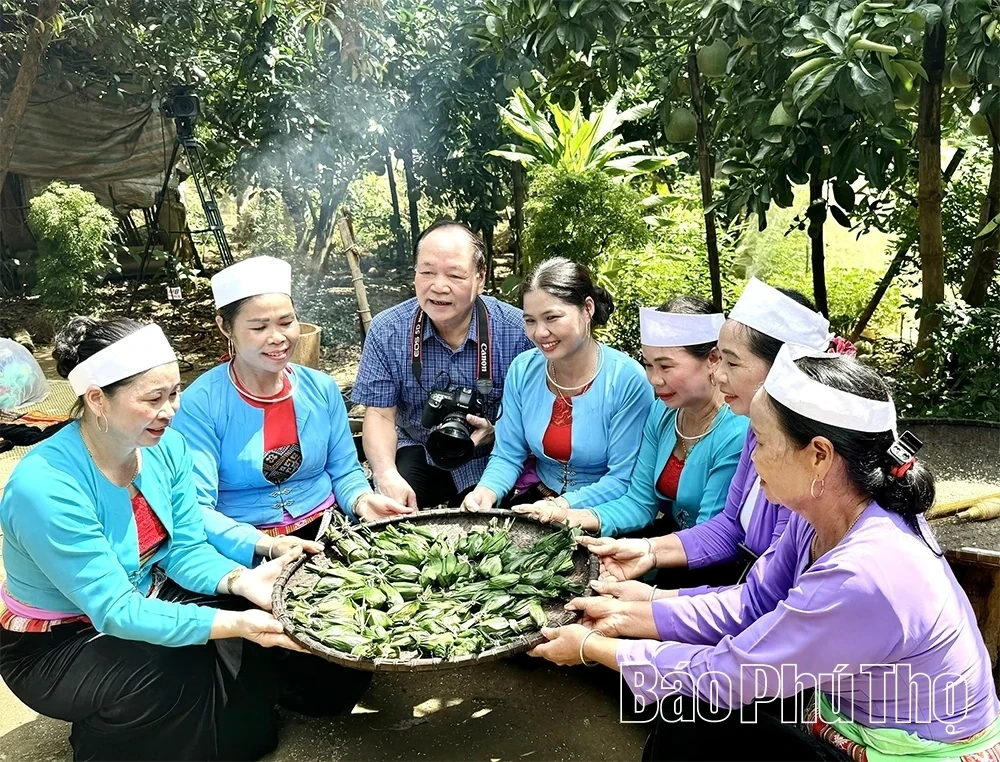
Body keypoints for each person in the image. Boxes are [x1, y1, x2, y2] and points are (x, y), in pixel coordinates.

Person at [530, 345, 1000, 761]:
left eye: (764, 442)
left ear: (818, 455)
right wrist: (628, 614)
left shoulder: (866, 571)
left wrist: (593, 647)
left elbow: (734, 675)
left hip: (907, 750)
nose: (752, 459)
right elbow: (754, 603)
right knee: (689, 719)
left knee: (695, 722)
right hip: (847, 720)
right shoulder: (813, 515)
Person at [0, 317, 302, 761]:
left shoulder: (166, 448)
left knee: (244, 609)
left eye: (175, 392)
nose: (171, 410)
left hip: (147, 593)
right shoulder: (46, 486)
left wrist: (241, 581)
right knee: (167, 659)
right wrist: (230, 625)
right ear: (98, 399)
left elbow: (185, 550)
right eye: (153, 398)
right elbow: (115, 610)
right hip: (57, 642)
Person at [172, 255, 404, 715]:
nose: (277, 338)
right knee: (313, 689)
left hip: (323, 537)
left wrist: (362, 500)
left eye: (286, 321)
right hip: (248, 550)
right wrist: (264, 545)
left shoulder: (320, 389)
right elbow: (194, 509)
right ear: (226, 328)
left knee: (350, 671)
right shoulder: (201, 402)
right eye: (258, 326)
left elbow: (344, 469)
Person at [583, 279, 836, 594]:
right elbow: (730, 527)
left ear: (782, 369)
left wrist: (653, 602)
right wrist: (649, 552)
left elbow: (765, 597)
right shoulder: (757, 432)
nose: (718, 374)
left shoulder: (807, 467)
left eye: (731, 362)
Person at [512, 296, 746, 534]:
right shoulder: (663, 412)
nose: (654, 379)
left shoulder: (736, 431)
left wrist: (647, 553)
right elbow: (639, 503)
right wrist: (565, 515)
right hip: (672, 539)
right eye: (649, 365)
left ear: (713, 359)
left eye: (666, 367)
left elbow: (711, 536)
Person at [351, 219, 533, 508]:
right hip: (420, 447)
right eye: (427, 272)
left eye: (455, 275)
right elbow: (381, 415)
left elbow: (539, 417)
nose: (438, 286)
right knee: (395, 514)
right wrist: (385, 474)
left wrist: (498, 431)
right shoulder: (388, 330)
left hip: (492, 455)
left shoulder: (518, 331)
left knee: (488, 530)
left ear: (480, 277)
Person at [462, 258, 653, 515]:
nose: (540, 333)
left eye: (552, 318)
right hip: (537, 499)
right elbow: (508, 454)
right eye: (530, 321)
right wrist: (486, 491)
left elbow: (622, 478)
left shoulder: (626, 379)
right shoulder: (523, 370)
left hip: (603, 513)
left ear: (587, 309)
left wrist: (562, 506)